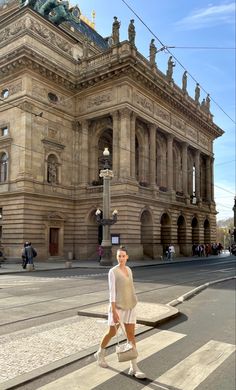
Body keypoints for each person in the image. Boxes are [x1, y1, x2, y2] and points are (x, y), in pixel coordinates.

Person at [94, 246, 146, 379]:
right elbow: (112, 292)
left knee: (131, 336)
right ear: (116, 257)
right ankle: (100, 353)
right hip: (117, 307)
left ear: (127, 257)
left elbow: (131, 287)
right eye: (119, 256)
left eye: (123, 256)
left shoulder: (129, 269)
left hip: (130, 306)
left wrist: (135, 300)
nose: (121, 258)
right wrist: (113, 310)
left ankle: (134, 366)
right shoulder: (113, 271)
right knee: (112, 332)